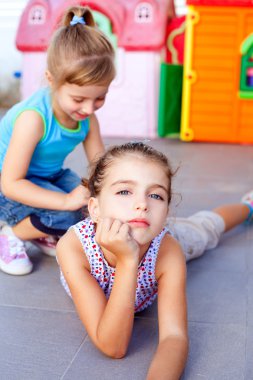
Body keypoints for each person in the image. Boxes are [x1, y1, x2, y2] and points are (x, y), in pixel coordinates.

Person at [56, 141, 252, 380]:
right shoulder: (73, 248)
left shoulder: (169, 251)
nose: (142, 205)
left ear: (166, 212)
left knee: (205, 228)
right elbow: (113, 346)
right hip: (134, 238)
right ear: (95, 208)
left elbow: (174, 337)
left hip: (158, 236)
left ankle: (248, 206)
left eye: (156, 195)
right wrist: (128, 262)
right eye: (125, 191)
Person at [0, 6, 115, 275]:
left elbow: (100, 167)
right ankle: (13, 234)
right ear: (52, 81)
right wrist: (65, 202)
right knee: (70, 213)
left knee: (91, 206)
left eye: (99, 97)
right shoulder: (33, 119)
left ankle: (41, 227)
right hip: (7, 185)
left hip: (47, 175)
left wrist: (113, 192)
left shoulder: (87, 117)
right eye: (78, 99)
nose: (88, 109)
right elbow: (10, 184)